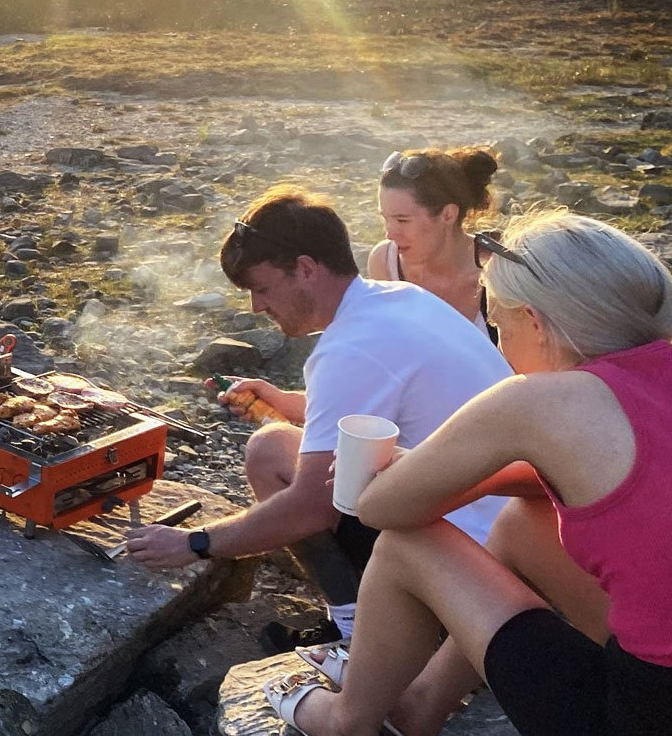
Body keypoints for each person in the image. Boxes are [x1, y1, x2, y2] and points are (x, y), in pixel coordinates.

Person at [267, 212, 672, 736]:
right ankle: (420, 704)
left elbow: (379, 507)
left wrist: (411, 472)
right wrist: (484, 477)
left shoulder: (538, 402)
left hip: (640, 717)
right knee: (522, 524)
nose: (500, 345)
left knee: (405, 544)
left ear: (536, 322)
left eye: (497, 322)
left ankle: (348, 720)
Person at [124, 187, 511, 650]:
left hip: (470, 566)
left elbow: (312, 506)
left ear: (306, 269)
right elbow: (373, 410)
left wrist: (193, 543)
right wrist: (288, 402)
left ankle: (358, 636)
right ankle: (361, 622)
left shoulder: (349, 348)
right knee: (277, 440)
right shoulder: (399, 299)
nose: (257, 307)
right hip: (509, 532)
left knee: (270, 455)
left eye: (262, 289)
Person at [368, 147, 500, 337]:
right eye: (385, 219)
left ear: (448, 215)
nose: (390, 234)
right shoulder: (385, 263)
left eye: (402, 220)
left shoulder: (497, 273)